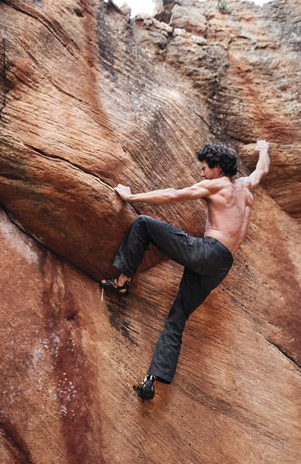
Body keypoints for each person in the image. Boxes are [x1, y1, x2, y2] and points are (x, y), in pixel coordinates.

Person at [102, 140, 270, 399]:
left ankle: (122, 283)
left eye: (204, 168)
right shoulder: (245, 186)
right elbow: (261, 172)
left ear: (216, 167)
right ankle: (152, 381)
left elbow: (172, 195)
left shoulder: (217, 185)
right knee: (177, 317)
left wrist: (130, 196)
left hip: (207, 252)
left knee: (144, 224)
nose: (202, 173)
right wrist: (264, 151)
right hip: (221, 266)